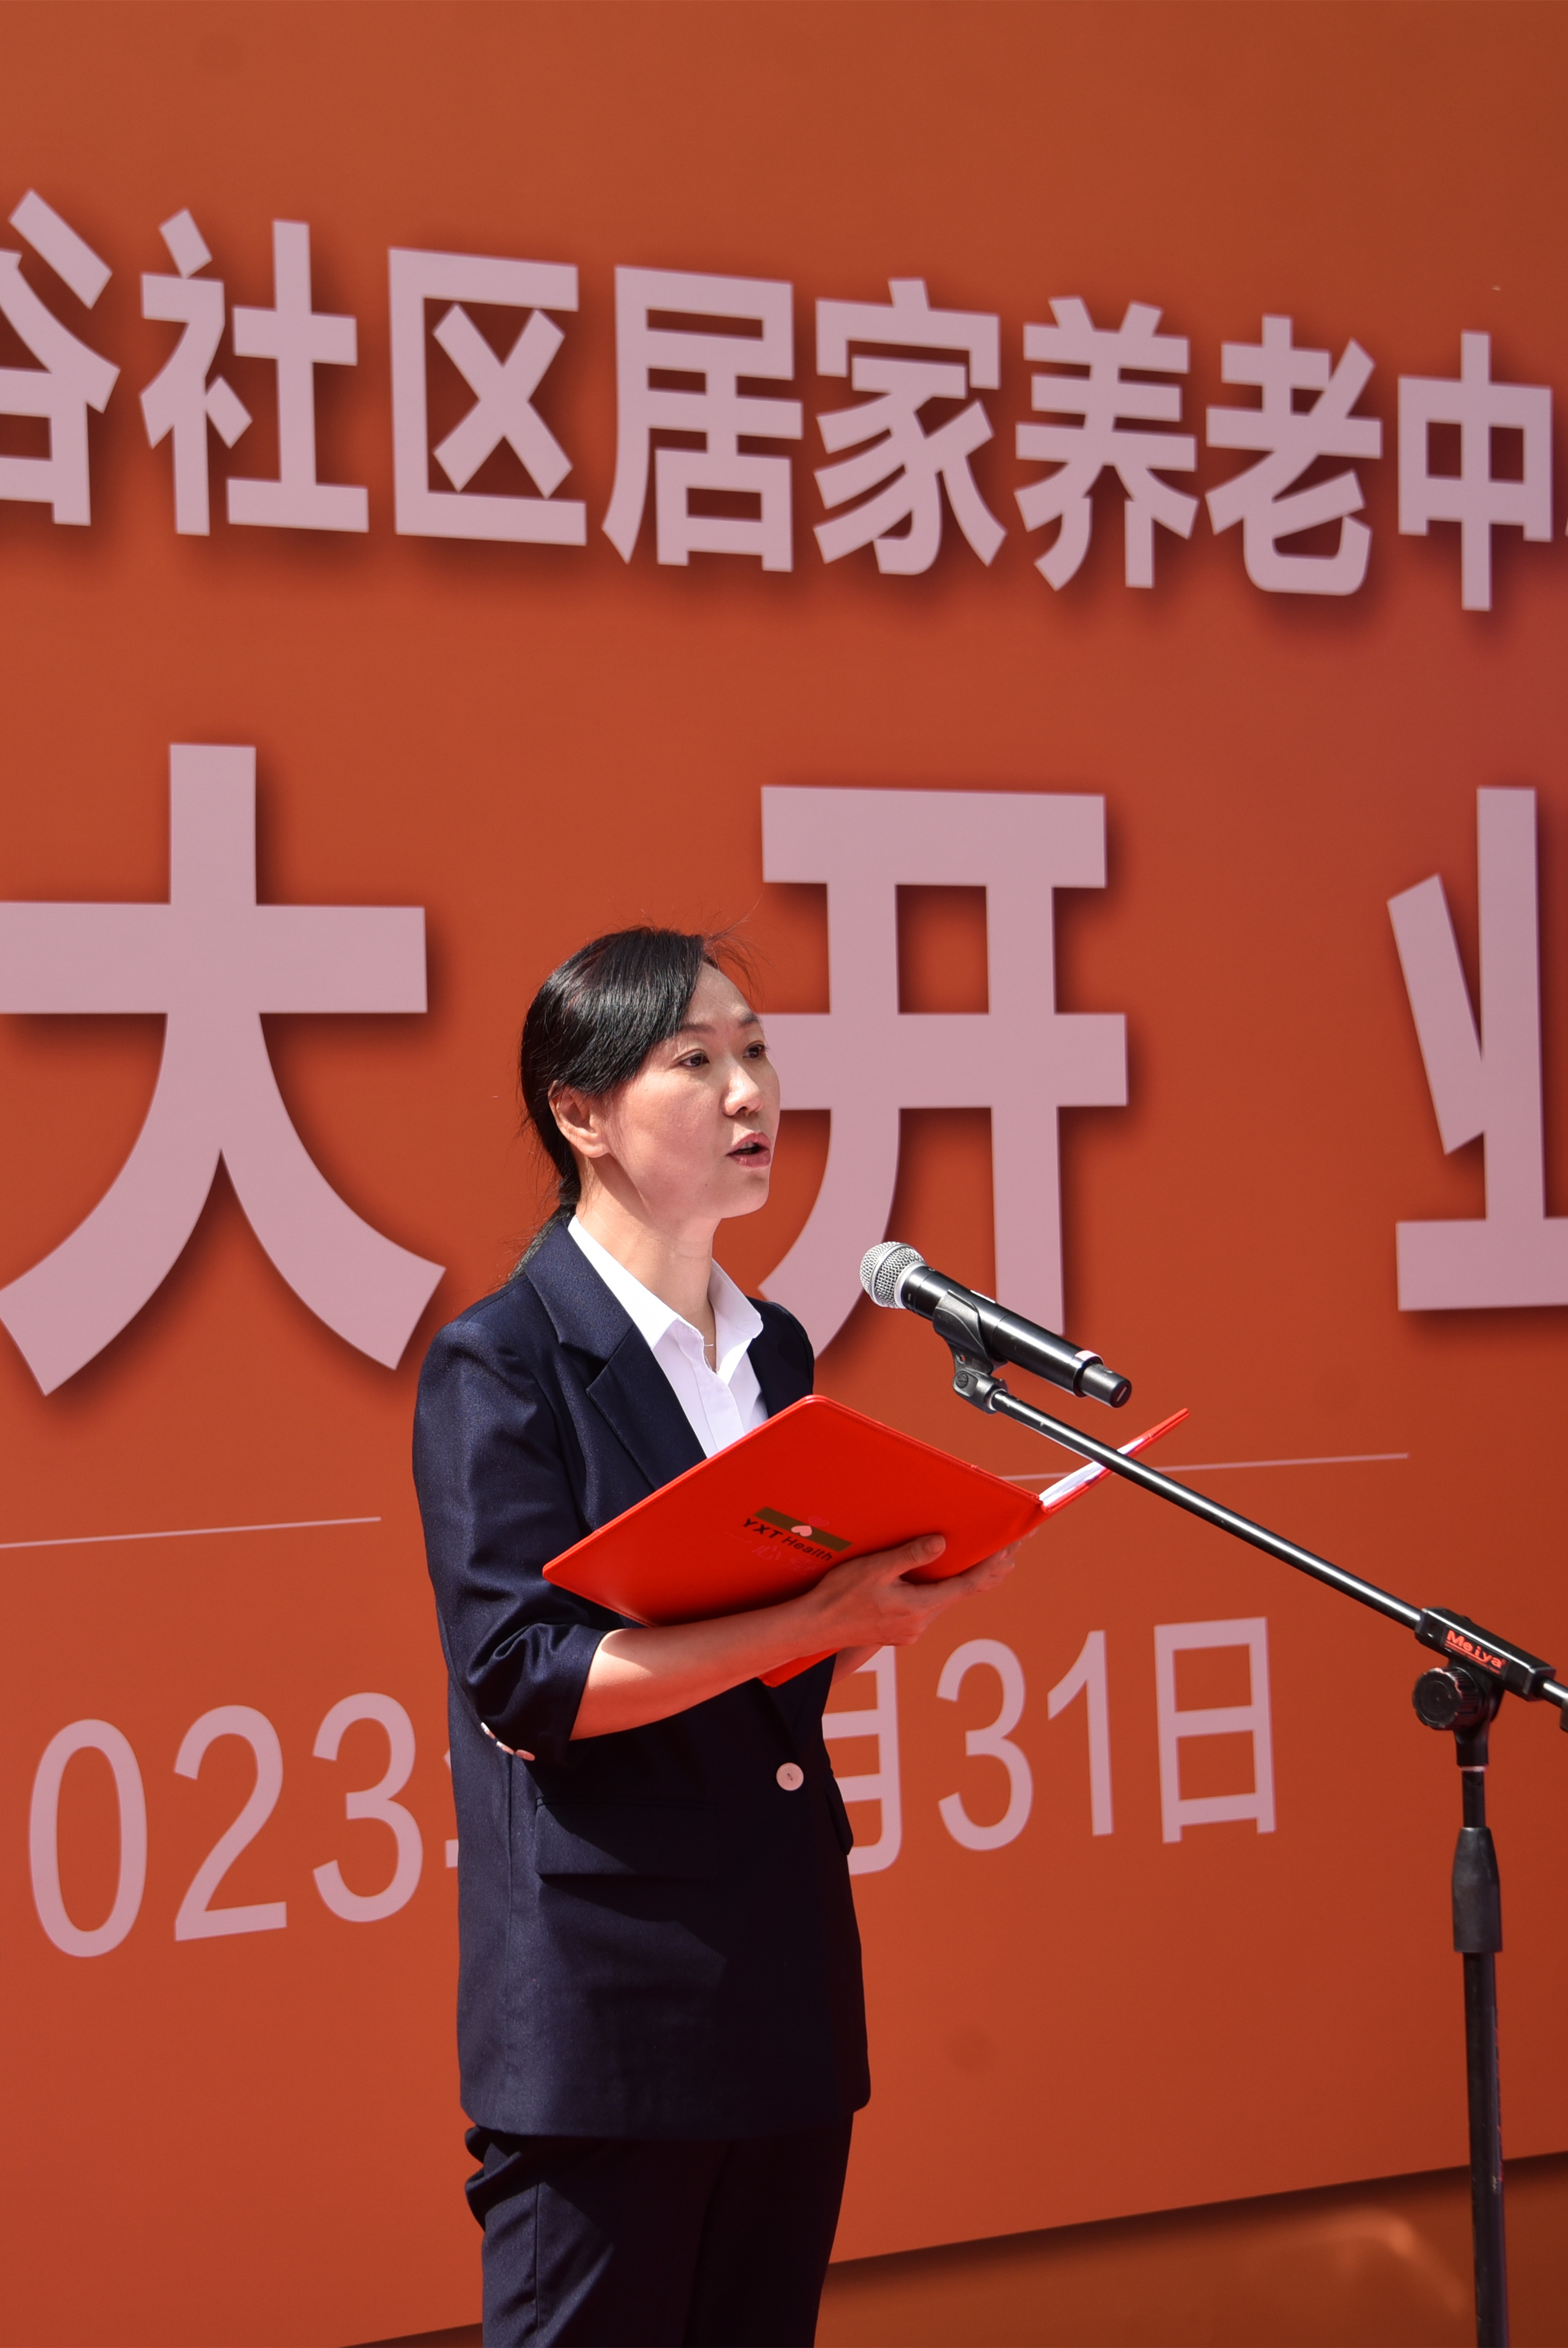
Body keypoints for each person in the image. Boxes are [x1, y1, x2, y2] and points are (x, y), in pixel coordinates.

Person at [411, 926, 1028, 2347]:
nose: (750, 1090)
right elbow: (528, 1679)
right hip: (607, 2009)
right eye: (693, 1059)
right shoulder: (503, 1361)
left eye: (754, 1049)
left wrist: (879, 1608)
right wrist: (811, 1619)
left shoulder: (776, 1350)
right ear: (582, 1113)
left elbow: (758, 1663)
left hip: (779, 1977)